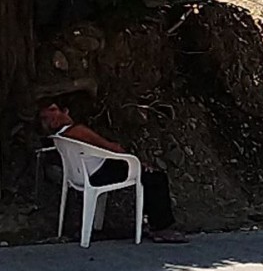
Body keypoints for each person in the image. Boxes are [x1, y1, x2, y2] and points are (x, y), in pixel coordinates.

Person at [39, 103, 187, 243]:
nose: (53, 116)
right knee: (155, 178)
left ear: (65, 110)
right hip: (98, 174)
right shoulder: (77, 130)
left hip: (81, 176)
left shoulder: (59, 137)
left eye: (53, 110)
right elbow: (111, 147)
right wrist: (136, 161)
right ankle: (161, 227)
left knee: (146, 175)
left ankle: (149, 221)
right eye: (48, 115)